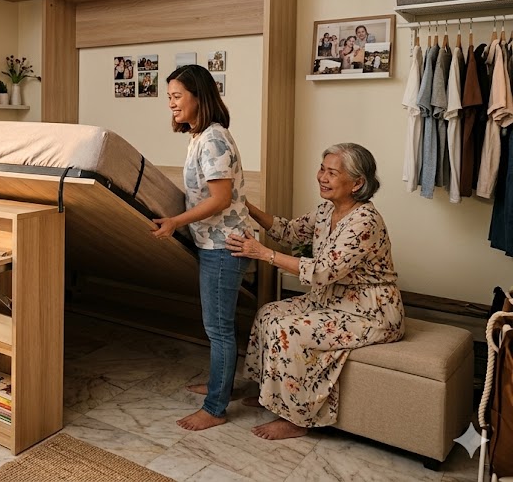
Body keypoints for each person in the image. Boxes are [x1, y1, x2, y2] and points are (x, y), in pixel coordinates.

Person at [225, 143, 404, 440]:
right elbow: (288, 231)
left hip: (371, 312)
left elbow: (322, 271)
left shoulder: (365, 222)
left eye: (332, 173)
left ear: (357, 183)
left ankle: (298, 418)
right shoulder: (326, 211)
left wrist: (262, 253)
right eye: (322, 168)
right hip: (333, 301)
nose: (322, 176)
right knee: (268, 312)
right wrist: (247, 207)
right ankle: (272, 394)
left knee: (290, 330)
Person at [151, 64, 253, 431]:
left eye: (177, 97)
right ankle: (217, 385)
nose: (172, 104)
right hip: (213, 242)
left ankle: (215, 407)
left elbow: (221, 199)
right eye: (170, 98)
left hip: (224, 246)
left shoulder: (213, 139)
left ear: (199, 97)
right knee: (217, 326)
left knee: (220, 329)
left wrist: (177, 221)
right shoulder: (200, 136)